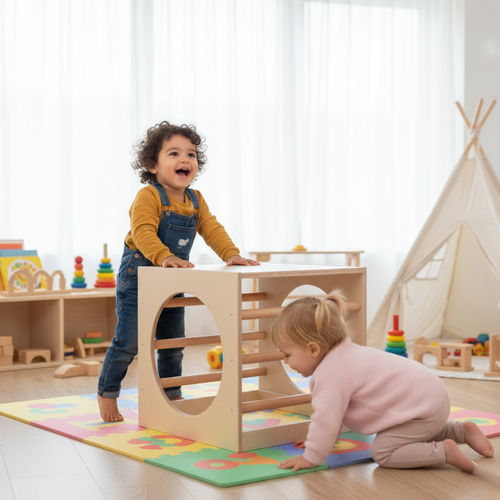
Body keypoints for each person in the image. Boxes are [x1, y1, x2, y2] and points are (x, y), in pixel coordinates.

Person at [98, 121, 259, 422]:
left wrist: (231, 254)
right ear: (153, 165)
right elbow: (143, 232)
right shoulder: (148, 196)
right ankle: (107, 393)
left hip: (171, 283)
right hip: (138, 279)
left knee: (173, 343)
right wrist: (165, 256)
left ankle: (172, 394)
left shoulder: (196, 201)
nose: (185, 159)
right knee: (128, 342)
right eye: (174, 153)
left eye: (191, 154)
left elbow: (212, 229)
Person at [270, 291, 494, 475]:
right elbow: (333, 419)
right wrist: (316, 442)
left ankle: (444, 452)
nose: (286, 361)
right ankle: (460, 431)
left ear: (313, 349)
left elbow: (327, 420)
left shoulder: (329, 374)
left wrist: (312, 456)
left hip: (421, 409)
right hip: (432, 399)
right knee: (406, 433)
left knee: (384, 452)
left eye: (287, 355)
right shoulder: (346, 354)